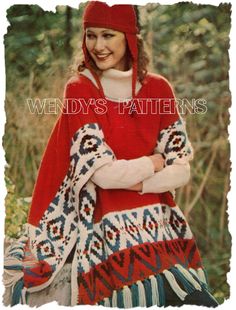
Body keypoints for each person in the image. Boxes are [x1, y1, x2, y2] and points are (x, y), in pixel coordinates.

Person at [4, 1, 219, 307]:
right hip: (100, 220)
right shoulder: (80, 89)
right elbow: (102, 174)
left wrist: (140, 183)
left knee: (196, 298)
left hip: (157, 220)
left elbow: (182, 169)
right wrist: (154, 162)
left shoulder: (158, 88)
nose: (98, 46)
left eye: (108, 35)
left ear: (129, 37)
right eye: (91, 35)